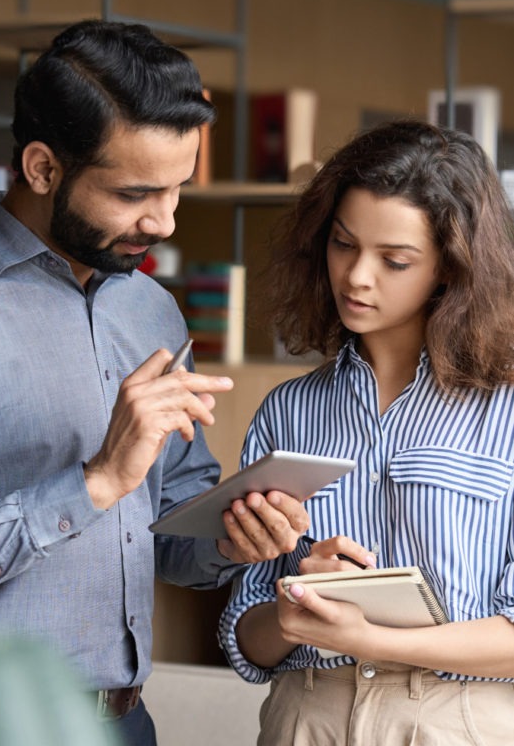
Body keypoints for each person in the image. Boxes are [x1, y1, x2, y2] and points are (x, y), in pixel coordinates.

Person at [0, 20, 310, 746]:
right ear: (41, 168)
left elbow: (169, 538)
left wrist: (234, 533)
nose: (163, 219)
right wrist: (92, 482)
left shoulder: (148, 306)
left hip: (126, 721)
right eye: (134, 193)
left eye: (179, 188)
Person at [218, 119, 514, 745]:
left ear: (451, 269)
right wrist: (295, 604)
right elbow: (247, 638)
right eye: (344, 244)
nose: (356, 276)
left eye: (395, 260)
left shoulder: (506, 410)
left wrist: (368, 639)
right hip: (306, 717)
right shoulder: (288, 411)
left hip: (457, 721)